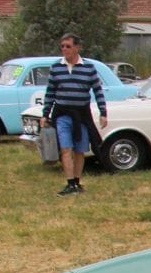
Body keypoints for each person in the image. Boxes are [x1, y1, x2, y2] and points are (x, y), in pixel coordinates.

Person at [40, 33, 107, 196]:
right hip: (62, 114)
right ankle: (69, 183)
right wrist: (45, 114)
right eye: (62, 46)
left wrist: (103, 112)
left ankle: (77, 182)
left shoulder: (89, 68)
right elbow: (50, 92)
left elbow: (97, 90)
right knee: (65, 148)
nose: (64, 49)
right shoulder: (56, 68)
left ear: (77, 47)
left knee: (80, 150)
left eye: (68, 46)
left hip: (82, 115)